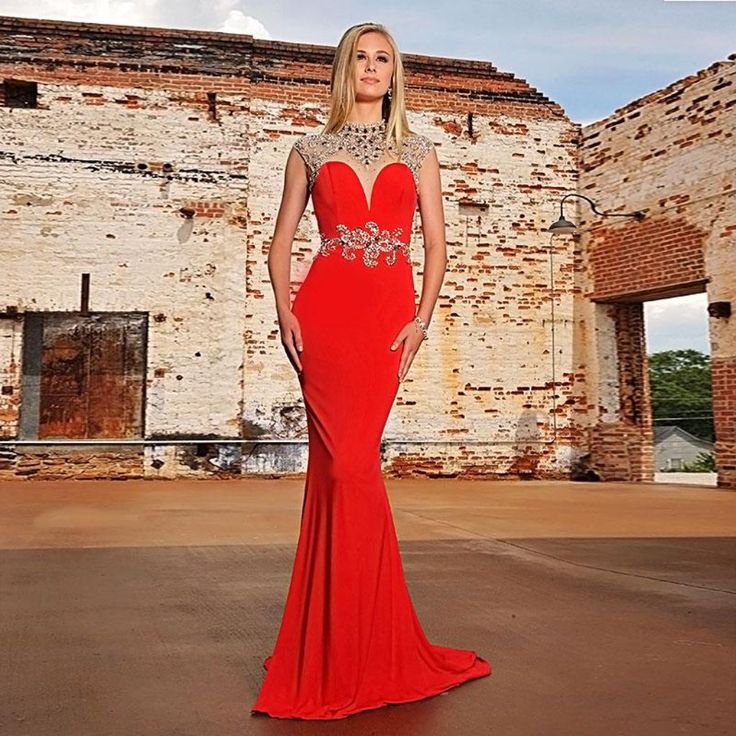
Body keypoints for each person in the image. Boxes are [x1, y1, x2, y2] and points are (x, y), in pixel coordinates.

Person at [251, 21, 492, 720]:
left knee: (351, 467)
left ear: (396, 74)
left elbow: (438, 246)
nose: (373, 67)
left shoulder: (418, 152)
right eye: (362, 56)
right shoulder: (308, 149)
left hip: (385, 320)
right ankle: (330, 645)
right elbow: (281, 239)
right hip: (323, 317)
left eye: (384, 59)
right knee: (336, 471)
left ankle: (363, 643)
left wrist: (421, 317)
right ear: (343, 67)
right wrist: (287, 308)